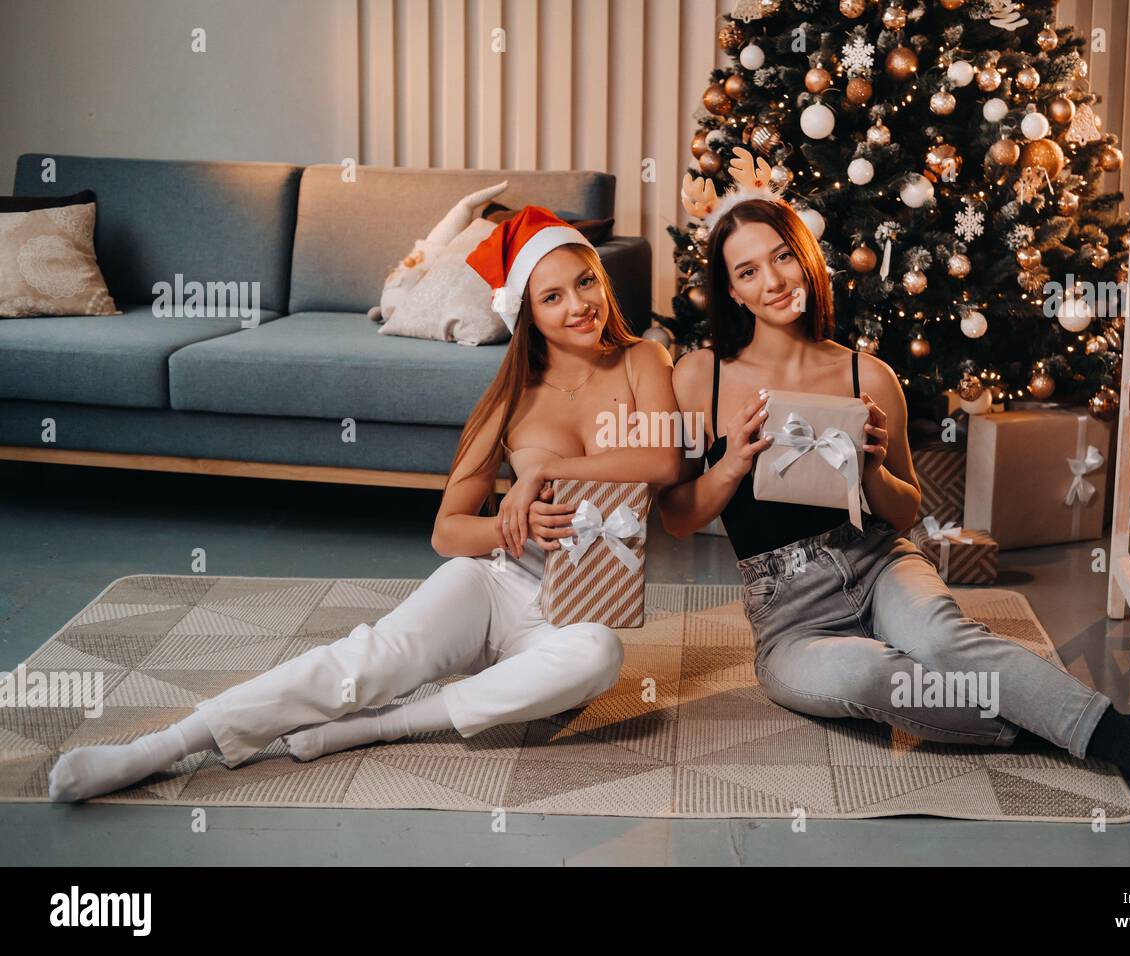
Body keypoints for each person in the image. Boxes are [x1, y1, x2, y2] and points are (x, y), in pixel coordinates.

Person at [656, 150, 1130, 834]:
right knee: (876, 679)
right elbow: (676, 520)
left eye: (782, 258)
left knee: (939, 636)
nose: (772, 281)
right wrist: (732, 466)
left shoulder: (867, 378)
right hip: (787, 618)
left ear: (806, 259)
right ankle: (1073, 725)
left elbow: (906, 511)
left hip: (875, 562)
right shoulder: (701, 378)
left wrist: (870, 471)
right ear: (730, 291)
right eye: (747, 271)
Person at [47, 205, 679, 802]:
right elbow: (447, 532)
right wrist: (510, 525)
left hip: (576, 612)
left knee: (598, 658)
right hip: (496, 584)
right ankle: (163, 745)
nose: (580, 306)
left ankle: (381, 726)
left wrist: (547, 471)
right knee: (369, 660)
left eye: (586, 282)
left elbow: (663, 462)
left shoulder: (641, 360)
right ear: (526, 313)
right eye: (553, 296)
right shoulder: (509, 396)